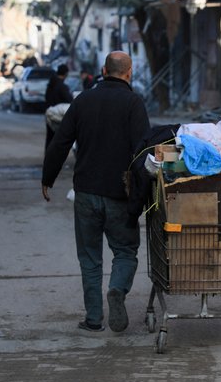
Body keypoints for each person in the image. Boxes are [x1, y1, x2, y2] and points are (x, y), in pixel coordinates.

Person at [42, 51, 150, 333]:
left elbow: (60, 142)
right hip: (119, 194)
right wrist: (144, 193)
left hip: (86, 193)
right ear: (129, 73)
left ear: (103, 70)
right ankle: (117, 289)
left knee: (90, 257)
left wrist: (48, 178)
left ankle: (93, 319)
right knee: (125, 251)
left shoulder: (83, 101)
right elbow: (144, 152)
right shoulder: (133, 103)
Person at [44, 64, 73, 150]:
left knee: (50, 137)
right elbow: (69, 99)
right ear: (66, 74)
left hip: (49, 113)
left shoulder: (50, 84)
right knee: (59, 139)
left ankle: (48, 159)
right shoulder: (62, 87)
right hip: (59, 115)